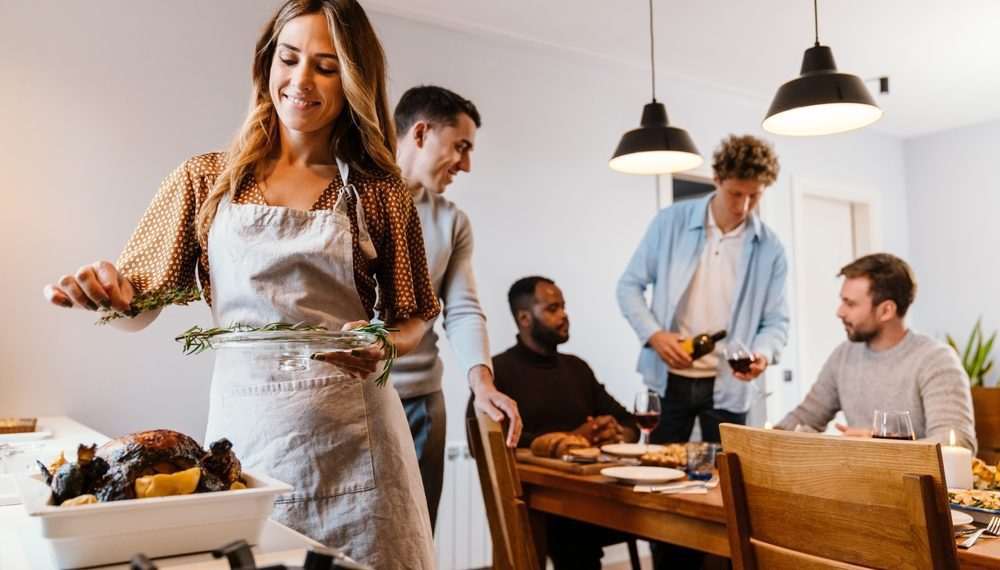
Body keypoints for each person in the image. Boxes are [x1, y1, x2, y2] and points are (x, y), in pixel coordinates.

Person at [41, 1, 437, 567]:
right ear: (266, 63)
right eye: (289, 58)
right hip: (247, 442)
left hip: (359, 452)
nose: (301, 80)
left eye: (326, 67)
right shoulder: (207, 179)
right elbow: (138, 303)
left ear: (354, 80)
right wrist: (107, 293)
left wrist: (382, 343)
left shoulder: (378, 192)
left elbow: (414, 316)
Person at [616, 134, 789, 569]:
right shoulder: (670, 222)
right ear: (716, 180)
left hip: (729, 387)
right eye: (736, 194)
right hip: (668, 380)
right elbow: (629, 287)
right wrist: (656, 335)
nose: (744, 206)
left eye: (755, 196)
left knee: (727, 496)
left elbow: (777, 323)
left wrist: (764, 353)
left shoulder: (770, 248)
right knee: (661, 486)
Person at [392, 85, 522, 530]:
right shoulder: (346, 197)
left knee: (415, 537)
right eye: (461, 147)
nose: (466, 165)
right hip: (352, 401)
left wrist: (482, 383)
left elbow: (463, 308)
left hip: (421, 407)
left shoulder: (452, 221)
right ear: (421, 133)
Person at [477, 275, 638, 570]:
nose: (564, 315)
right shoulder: (499, 372)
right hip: (537, 504)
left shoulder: (577, 369)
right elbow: (487, 443)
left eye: (563, 307)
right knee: (575, 539)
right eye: (553, 308)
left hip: (595, 495)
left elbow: (629, 422)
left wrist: (616, 433)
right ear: (524, 318)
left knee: (674, 534)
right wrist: (574, 440)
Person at [776, 253, 977, 451]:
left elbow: (958, 444)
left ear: (886, 311)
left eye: (850, 304)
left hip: (908, 475)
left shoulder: (936, 360)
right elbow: (803, 418)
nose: (840, 312)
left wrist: (883, 447)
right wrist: (768, 438)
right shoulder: (844, 356)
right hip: (855, 472)